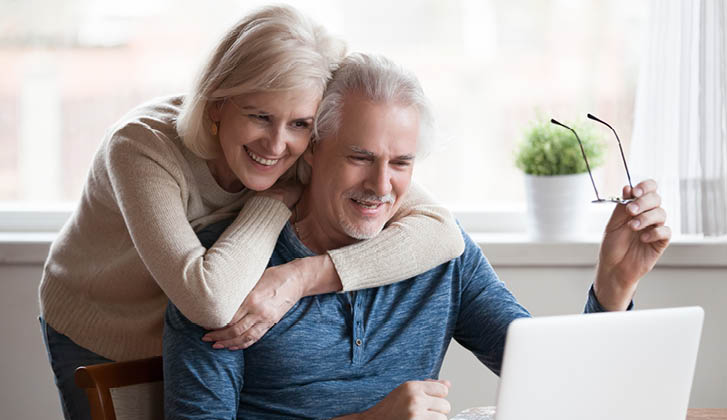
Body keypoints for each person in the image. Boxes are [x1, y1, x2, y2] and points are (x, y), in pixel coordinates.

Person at [163, 53, 671, 419]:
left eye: (401, 162)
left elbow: (556, 382)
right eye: (359, 157)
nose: (381, 187)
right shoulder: (226, 271)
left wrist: (613, 287)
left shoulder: (442, 254)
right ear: (312, 149)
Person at [38, 7, 466, 420]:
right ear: (217, 104)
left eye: (300, 123)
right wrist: (273, 202)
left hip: (193, 332)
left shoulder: (300, 147)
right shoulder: (141, 147)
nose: (277, 145)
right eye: (260, 116)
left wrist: (301, 277)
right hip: (103, 325)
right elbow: (208, 300)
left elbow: (443, 233)